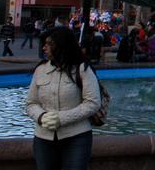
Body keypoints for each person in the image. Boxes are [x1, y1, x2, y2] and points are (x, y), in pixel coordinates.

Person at [26, 26, 101, 170]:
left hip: (77, 136)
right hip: (43, 137)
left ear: (62, 46)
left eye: (49, 44)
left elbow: (92, 103)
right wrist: (41, 117)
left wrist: (61, 118)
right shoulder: (40, 70)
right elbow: (31, 103)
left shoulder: (82, 69)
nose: (44, 48)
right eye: (45, 43)